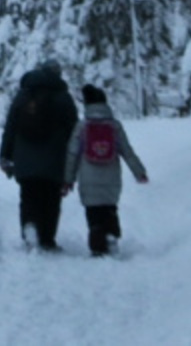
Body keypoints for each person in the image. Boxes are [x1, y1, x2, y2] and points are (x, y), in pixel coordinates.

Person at [0, 59, 78, 250]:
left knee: (28, 196)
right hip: (55, 158)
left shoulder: (22, 96)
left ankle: (30, 228)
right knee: (51, 199)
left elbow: (10, 128)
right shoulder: (64, 97)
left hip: (24, 159)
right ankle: (47, 239)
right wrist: (75, 161)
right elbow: (74, 132)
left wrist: (4, 155)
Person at [62, 84, 149, 257]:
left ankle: (97, 246)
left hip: (88, 179)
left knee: (94, 213)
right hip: (111, 178)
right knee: (110, 209)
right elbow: (127, 151)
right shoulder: (115, 126)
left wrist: (68, 179)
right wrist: (139, 172)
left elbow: (72, 154)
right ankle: (111, 236)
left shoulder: (82, 127)